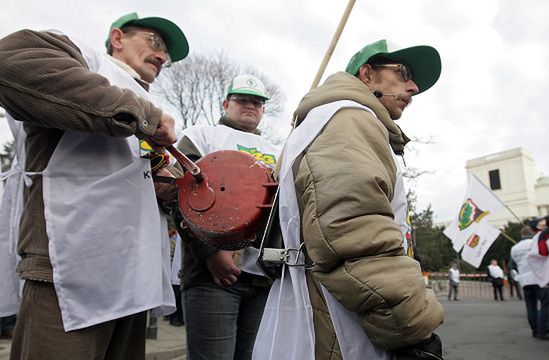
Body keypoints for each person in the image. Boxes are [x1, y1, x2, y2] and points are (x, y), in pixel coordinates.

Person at [0, 12, 188, 359]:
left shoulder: (144, 102)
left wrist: (163, 189)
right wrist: (145, 116)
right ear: (118, 38)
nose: (163, 57)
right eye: (155, 42)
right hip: (70, 271)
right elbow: (11, 60)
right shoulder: (90, 61)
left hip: (134, 279)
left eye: (168, 56)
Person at [254, 39, 443, 360]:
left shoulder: (336, 119)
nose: (412, 87)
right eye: (403, 73)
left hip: (328, 312)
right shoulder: (348, 118)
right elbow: (354, 236)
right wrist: (411, 323)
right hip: (340, 324)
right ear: (367, 74)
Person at [164, 74, 280, 360]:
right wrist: (210, 253)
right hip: (211, 277)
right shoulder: (202, 135)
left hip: (262, 280)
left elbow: (283, 211)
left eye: (257, 102)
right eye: (242, 100)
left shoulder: (279, 152)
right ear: (226, 103)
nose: (250, 106)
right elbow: (179, 195)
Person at [511, 225, 549, 340]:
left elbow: (513, 265)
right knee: (545, 305)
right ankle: (544, 329)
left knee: (530, 306)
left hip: (524, 280)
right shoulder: (535, 242)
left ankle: (535, 330)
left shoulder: (514, 248)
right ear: (532, 233)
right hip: (538, 277)